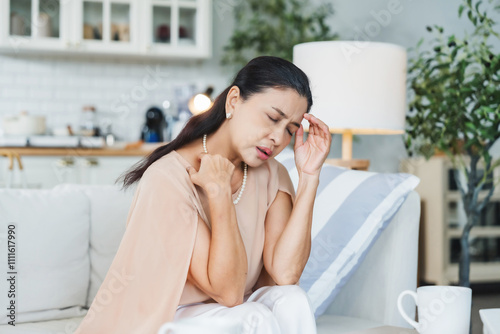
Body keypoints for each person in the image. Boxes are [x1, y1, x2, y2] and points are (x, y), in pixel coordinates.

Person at [74, 56, 331, 334]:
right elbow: (229, 292)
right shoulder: (168, 178)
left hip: (228, 313)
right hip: (167, 316)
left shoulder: (273, 174)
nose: (278, 138)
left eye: (291, 131)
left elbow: (285, 274)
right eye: (272, 118)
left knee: (293, 300)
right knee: (252, 316)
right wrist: (218, 192)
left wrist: (309, 177)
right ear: (234, 101)